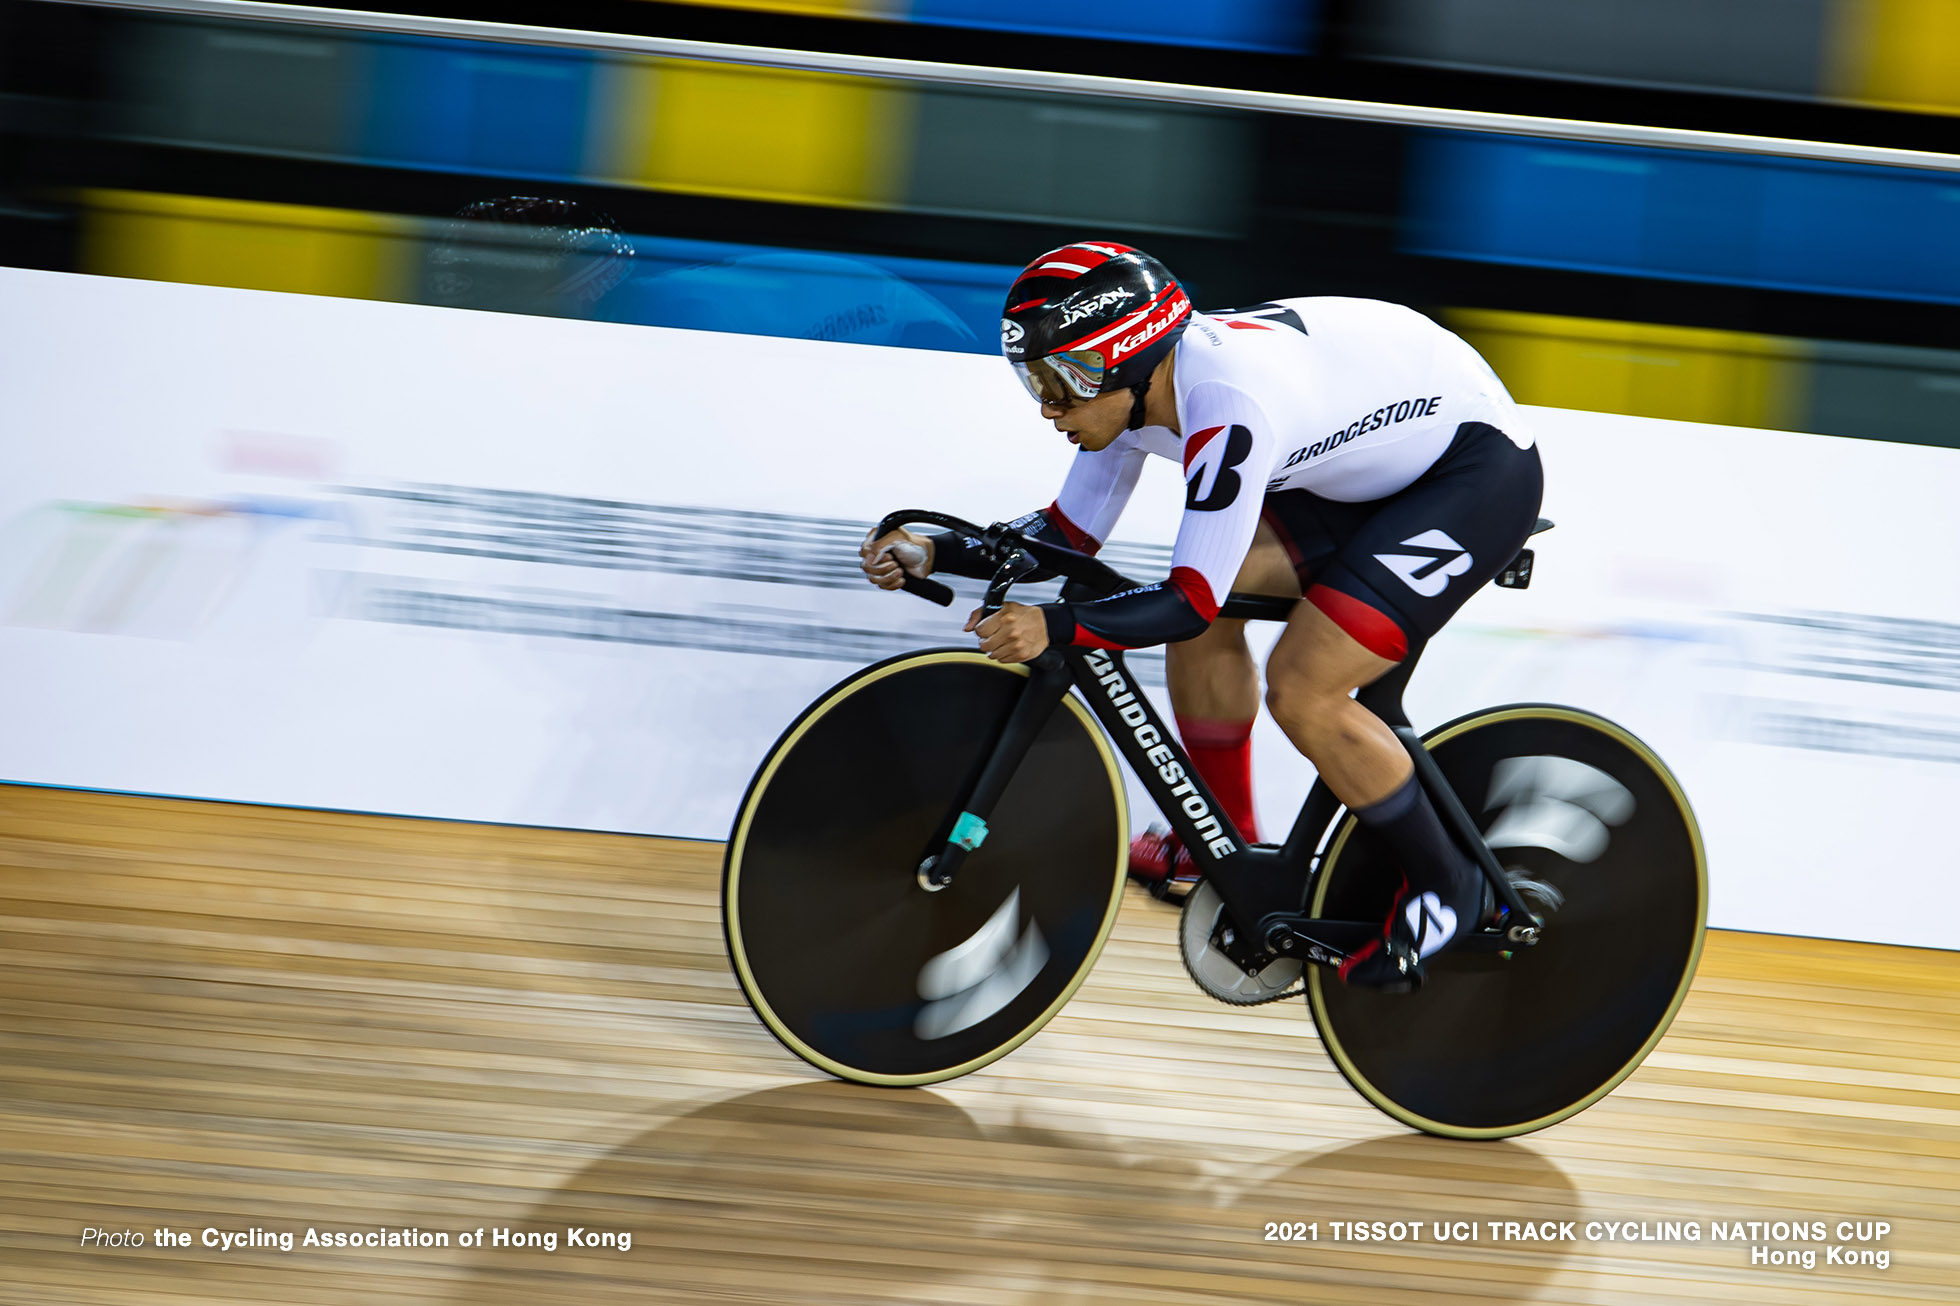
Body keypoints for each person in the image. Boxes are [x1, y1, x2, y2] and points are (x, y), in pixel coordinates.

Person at [859, 242, 1542, 989]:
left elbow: (1184, 604)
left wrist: (1053, 627)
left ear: (1125, 361)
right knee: (1215, 601)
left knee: (1304, 686)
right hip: (1362, 463)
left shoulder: (1226, 407)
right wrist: (939, 550)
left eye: (1062, 383)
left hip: (1470, 473)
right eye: (1036, 382)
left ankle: (1448, 887)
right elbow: (1067, 536)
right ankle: (1226, 838)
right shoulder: (1129, 396)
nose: (1050, 407)